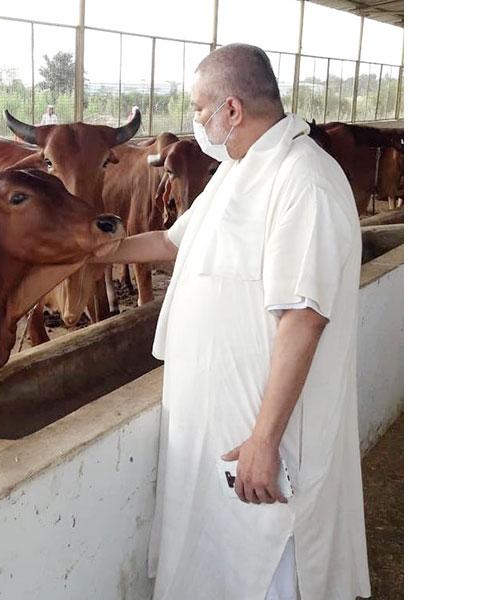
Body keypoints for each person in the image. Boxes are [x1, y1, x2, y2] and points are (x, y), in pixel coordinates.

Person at [92, 43, 371, 600]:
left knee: (270, 567)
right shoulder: (235, 172)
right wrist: (95, 252)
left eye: (200, 110)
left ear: (232, 110)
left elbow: (303, 317)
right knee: (216, 563)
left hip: (267, 443)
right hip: (216, 435)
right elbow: (171, 243)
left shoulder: (302, 181)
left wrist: (264, 441)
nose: (197, 123)